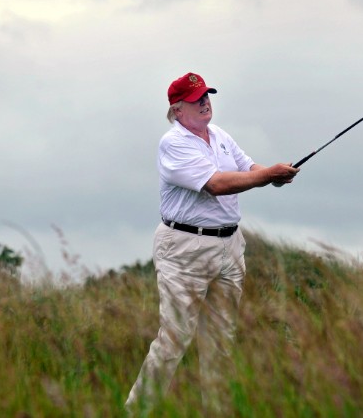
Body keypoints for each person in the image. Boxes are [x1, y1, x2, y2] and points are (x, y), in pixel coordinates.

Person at [125, 72, 299, 413]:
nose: (205, 102)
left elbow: (248, 167)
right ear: (177, 110)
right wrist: (267, 176)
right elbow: (217, 184)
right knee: (174, 339)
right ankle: (136, 411)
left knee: (221, 342)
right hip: (184, 248)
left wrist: (274, 175)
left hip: (229, 246)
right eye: (196, 99)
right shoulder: (173, 143)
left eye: (206, 95)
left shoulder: (218, 135)